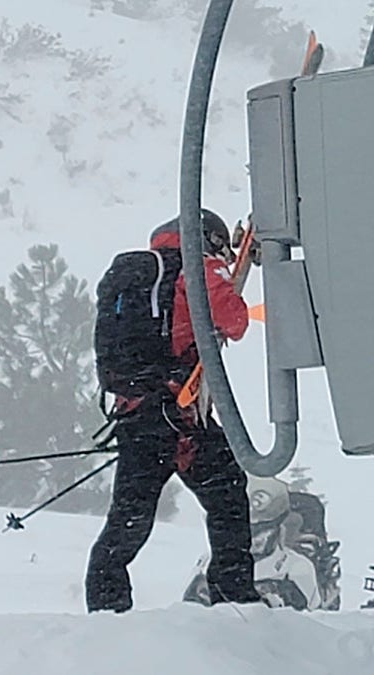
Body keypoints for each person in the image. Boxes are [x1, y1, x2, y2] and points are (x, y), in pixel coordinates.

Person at [85, 210, 260, 613]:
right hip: (177, 414)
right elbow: (233, 320)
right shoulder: (196, 268)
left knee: (130, 517)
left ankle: (106, 608)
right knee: (228, 494)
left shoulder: (141, 277)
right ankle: (234, 595)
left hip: (138, 413)